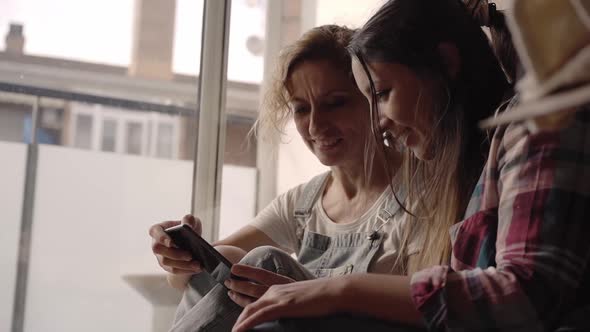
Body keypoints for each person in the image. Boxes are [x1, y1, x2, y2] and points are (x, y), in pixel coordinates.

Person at [231, 0, 590, 331]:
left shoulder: (540, 127)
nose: (379, 120)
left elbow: (523, 296)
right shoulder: (476, 164)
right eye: (301, 109)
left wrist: (339, 289)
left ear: (446, 64)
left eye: (383, 94)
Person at [149, 25, 426, 332]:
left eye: (335, 102)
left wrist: (311, 298)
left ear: (372, 97)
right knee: (226, 262)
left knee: (265, 261)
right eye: (302, 109)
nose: (316, 125)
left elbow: (430, 308)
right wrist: (180, 258)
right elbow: (192, 280)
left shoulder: (421, 192)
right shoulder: (303, 203)